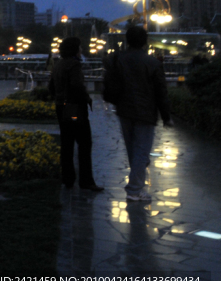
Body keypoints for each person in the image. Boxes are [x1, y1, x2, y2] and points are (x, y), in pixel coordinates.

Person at [103, 26, 172, 202]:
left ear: (127, 40)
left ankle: (137, 177)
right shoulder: (153, 63)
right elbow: (161, 92)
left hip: (124, 109)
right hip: (145, 111)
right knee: (141, 150)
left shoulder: (118, 59)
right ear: (145, 41)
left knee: (133, 149)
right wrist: (166, 116)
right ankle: (134, 190)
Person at [48, 37, 102, 191]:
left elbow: (51, 87)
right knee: (84, 143)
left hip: (61, 106)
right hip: (73, 107)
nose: (81, 50)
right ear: (75, 49)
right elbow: (77, 85)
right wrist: (86, 98)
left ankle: (68, 178)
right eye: (80, 47)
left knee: (67, 143)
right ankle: (86, 181)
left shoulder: (58, 65)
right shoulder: (74, 65)